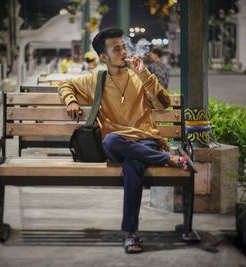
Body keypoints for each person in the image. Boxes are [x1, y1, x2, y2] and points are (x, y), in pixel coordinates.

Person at [58, 27, 188, 254]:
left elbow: (164, 104)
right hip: (116, 143)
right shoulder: (95, 80)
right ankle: (167, 159)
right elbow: (65, 85)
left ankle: (131, 234)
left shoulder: (140, 77)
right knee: (110, 142)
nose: (123, 52)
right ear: (104, 57)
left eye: (124, 47)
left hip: (145, 141)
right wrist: (71, 101)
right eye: (116, 48)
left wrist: (144, 74)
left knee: (133, 163)